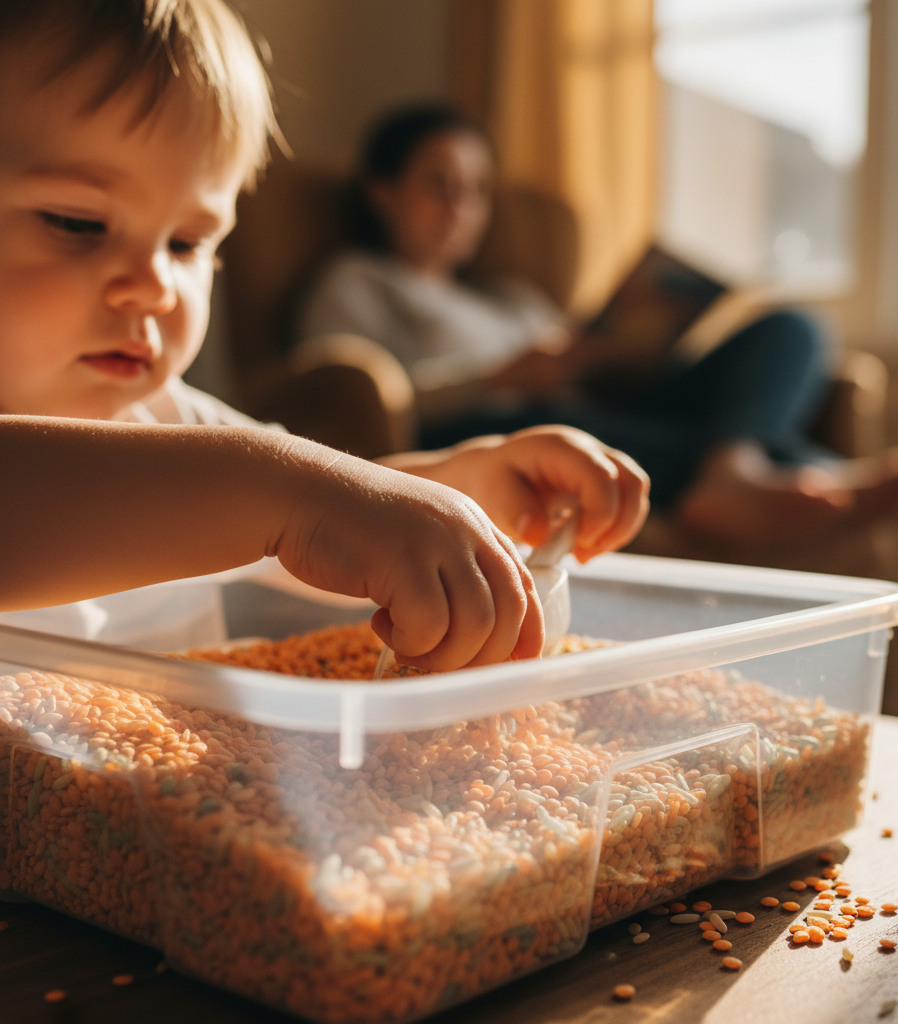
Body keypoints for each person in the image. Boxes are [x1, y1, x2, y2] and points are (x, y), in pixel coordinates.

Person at [0, 0, 649, 670]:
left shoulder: (163, 413)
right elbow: (282, 504)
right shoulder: (222, 465)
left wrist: (462, 485)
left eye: (188, 243)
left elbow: (319, 531)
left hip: (153, 769)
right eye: (77, 223)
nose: (158, 286)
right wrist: (284, 494)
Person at [301, 104, 898, 557]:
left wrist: (615, 354)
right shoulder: (355, 282)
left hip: (596, 405)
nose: (460, 208)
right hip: (493, 426)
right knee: (573, 427)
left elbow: (582, 371)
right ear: (382, 192)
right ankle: (802, 472)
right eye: (438, 185)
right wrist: (497, 377)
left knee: (793, 327)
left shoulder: (512, 297)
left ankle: (735, 465)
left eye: (475, 190)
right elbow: (354, 402)